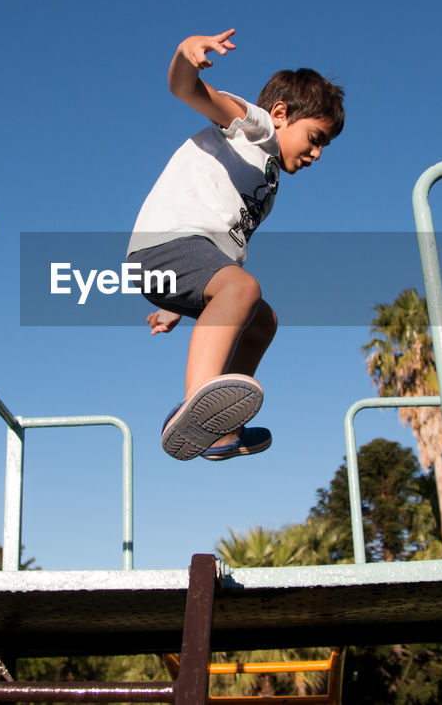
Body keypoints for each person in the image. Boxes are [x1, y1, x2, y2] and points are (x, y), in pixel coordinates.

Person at [126, 28, 345, 461]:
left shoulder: (268, 176)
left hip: (183, 260)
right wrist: (186, 54)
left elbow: (217, 243)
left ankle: (222, 426)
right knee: (242, 289)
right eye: (315, 138)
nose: (317, 154)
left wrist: (176, 305)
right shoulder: (254, 126)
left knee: (262, 320)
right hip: (164, 245)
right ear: (281, 113)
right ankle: (197, 402)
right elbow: (185, 89)